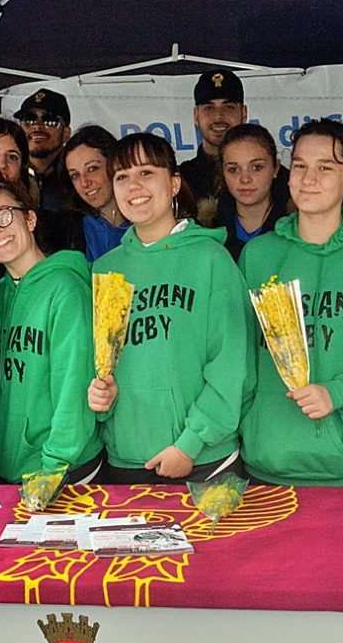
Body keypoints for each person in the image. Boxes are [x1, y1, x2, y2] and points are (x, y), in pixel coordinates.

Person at [238, 119, 343, 487]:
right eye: (300, 166)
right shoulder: (259, 256)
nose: (308, 178)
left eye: (325, 167)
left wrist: (337, 393)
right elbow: (239, 355)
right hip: (269, 463)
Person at [87, 133, 249, 484]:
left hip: (204, 461)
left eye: (146, 172)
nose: (134, 186)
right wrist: (101, 397)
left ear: (174, 183)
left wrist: (190, 444)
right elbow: (103, 364)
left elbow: (232, 365)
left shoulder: (211, 260)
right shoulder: (105, 269)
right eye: (122, 177)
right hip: (126, 459)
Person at [0, 175, 103, 484]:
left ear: (29, 218)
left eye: (3, 216)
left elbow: (74, 384)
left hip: (63, 469)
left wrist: (54, 466)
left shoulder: (65, 287)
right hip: (12, 469)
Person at [179, 69, 248, 222]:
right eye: (209, 108)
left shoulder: (269, 177)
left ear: (243, 113)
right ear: (196, 116)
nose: (218, 117)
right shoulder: (180, 179)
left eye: (228, 107)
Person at [216, 123, 290, 261]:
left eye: (256, 167)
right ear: (223, 173)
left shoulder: (296, 230)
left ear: (276, 168)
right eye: (233, 169)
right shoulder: (209, 233)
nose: (245, 179)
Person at [59, 125, 129, 261]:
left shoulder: (148, 218)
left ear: (115, 165)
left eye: (92, 169)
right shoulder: (65, 231)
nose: (85, 183)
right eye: (75, 175)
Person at [13, 89, 72, 219]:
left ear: (66, 134)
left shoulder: (76, 177)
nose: (37, 126)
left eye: (49, 120)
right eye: (28, 120)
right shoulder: (10, 174)